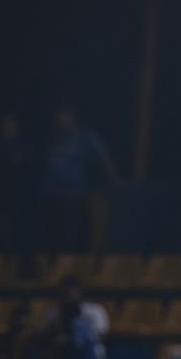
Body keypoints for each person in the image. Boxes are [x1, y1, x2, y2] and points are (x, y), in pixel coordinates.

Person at [42, 106, 119, 252]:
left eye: (65, 116)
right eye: (59, 117)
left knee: (70, 234)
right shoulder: (52, 139)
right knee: (51, 235)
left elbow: (104, 158)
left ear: (73, 118)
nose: (61, 120)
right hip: (50, 195)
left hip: (73, 195)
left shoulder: (85, 137)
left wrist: (113, 178)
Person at [0, 113, 35, 252]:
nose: (7, 127)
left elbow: (25, 176)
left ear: (17, 127)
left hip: (12, 205)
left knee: (8, 245)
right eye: (4, 124)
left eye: (10, 124)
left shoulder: (23, 149)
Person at [37, 276, 109, 359]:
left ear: (79, 292)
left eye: (71, 292)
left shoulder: (95, 310)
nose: (69, 296)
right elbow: (45, 333)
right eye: (65, 292)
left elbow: (103, 334)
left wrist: (80, 338)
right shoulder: (55, 312)